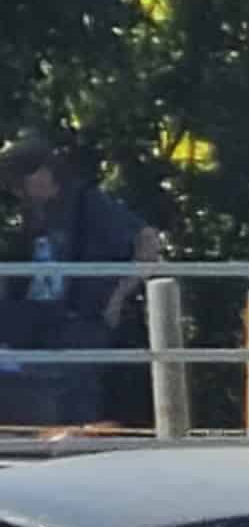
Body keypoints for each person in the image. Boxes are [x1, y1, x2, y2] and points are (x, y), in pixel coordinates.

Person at [0, 135, 164, 428]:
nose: (17, 191)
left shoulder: (88, 202)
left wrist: (121, 293)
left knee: (75, 394)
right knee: (31, 390)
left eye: (19, 181)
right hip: (35, 317)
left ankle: (79, 455)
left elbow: (147, 238)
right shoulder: (32, 214)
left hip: (80, 316)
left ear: (43, 172)